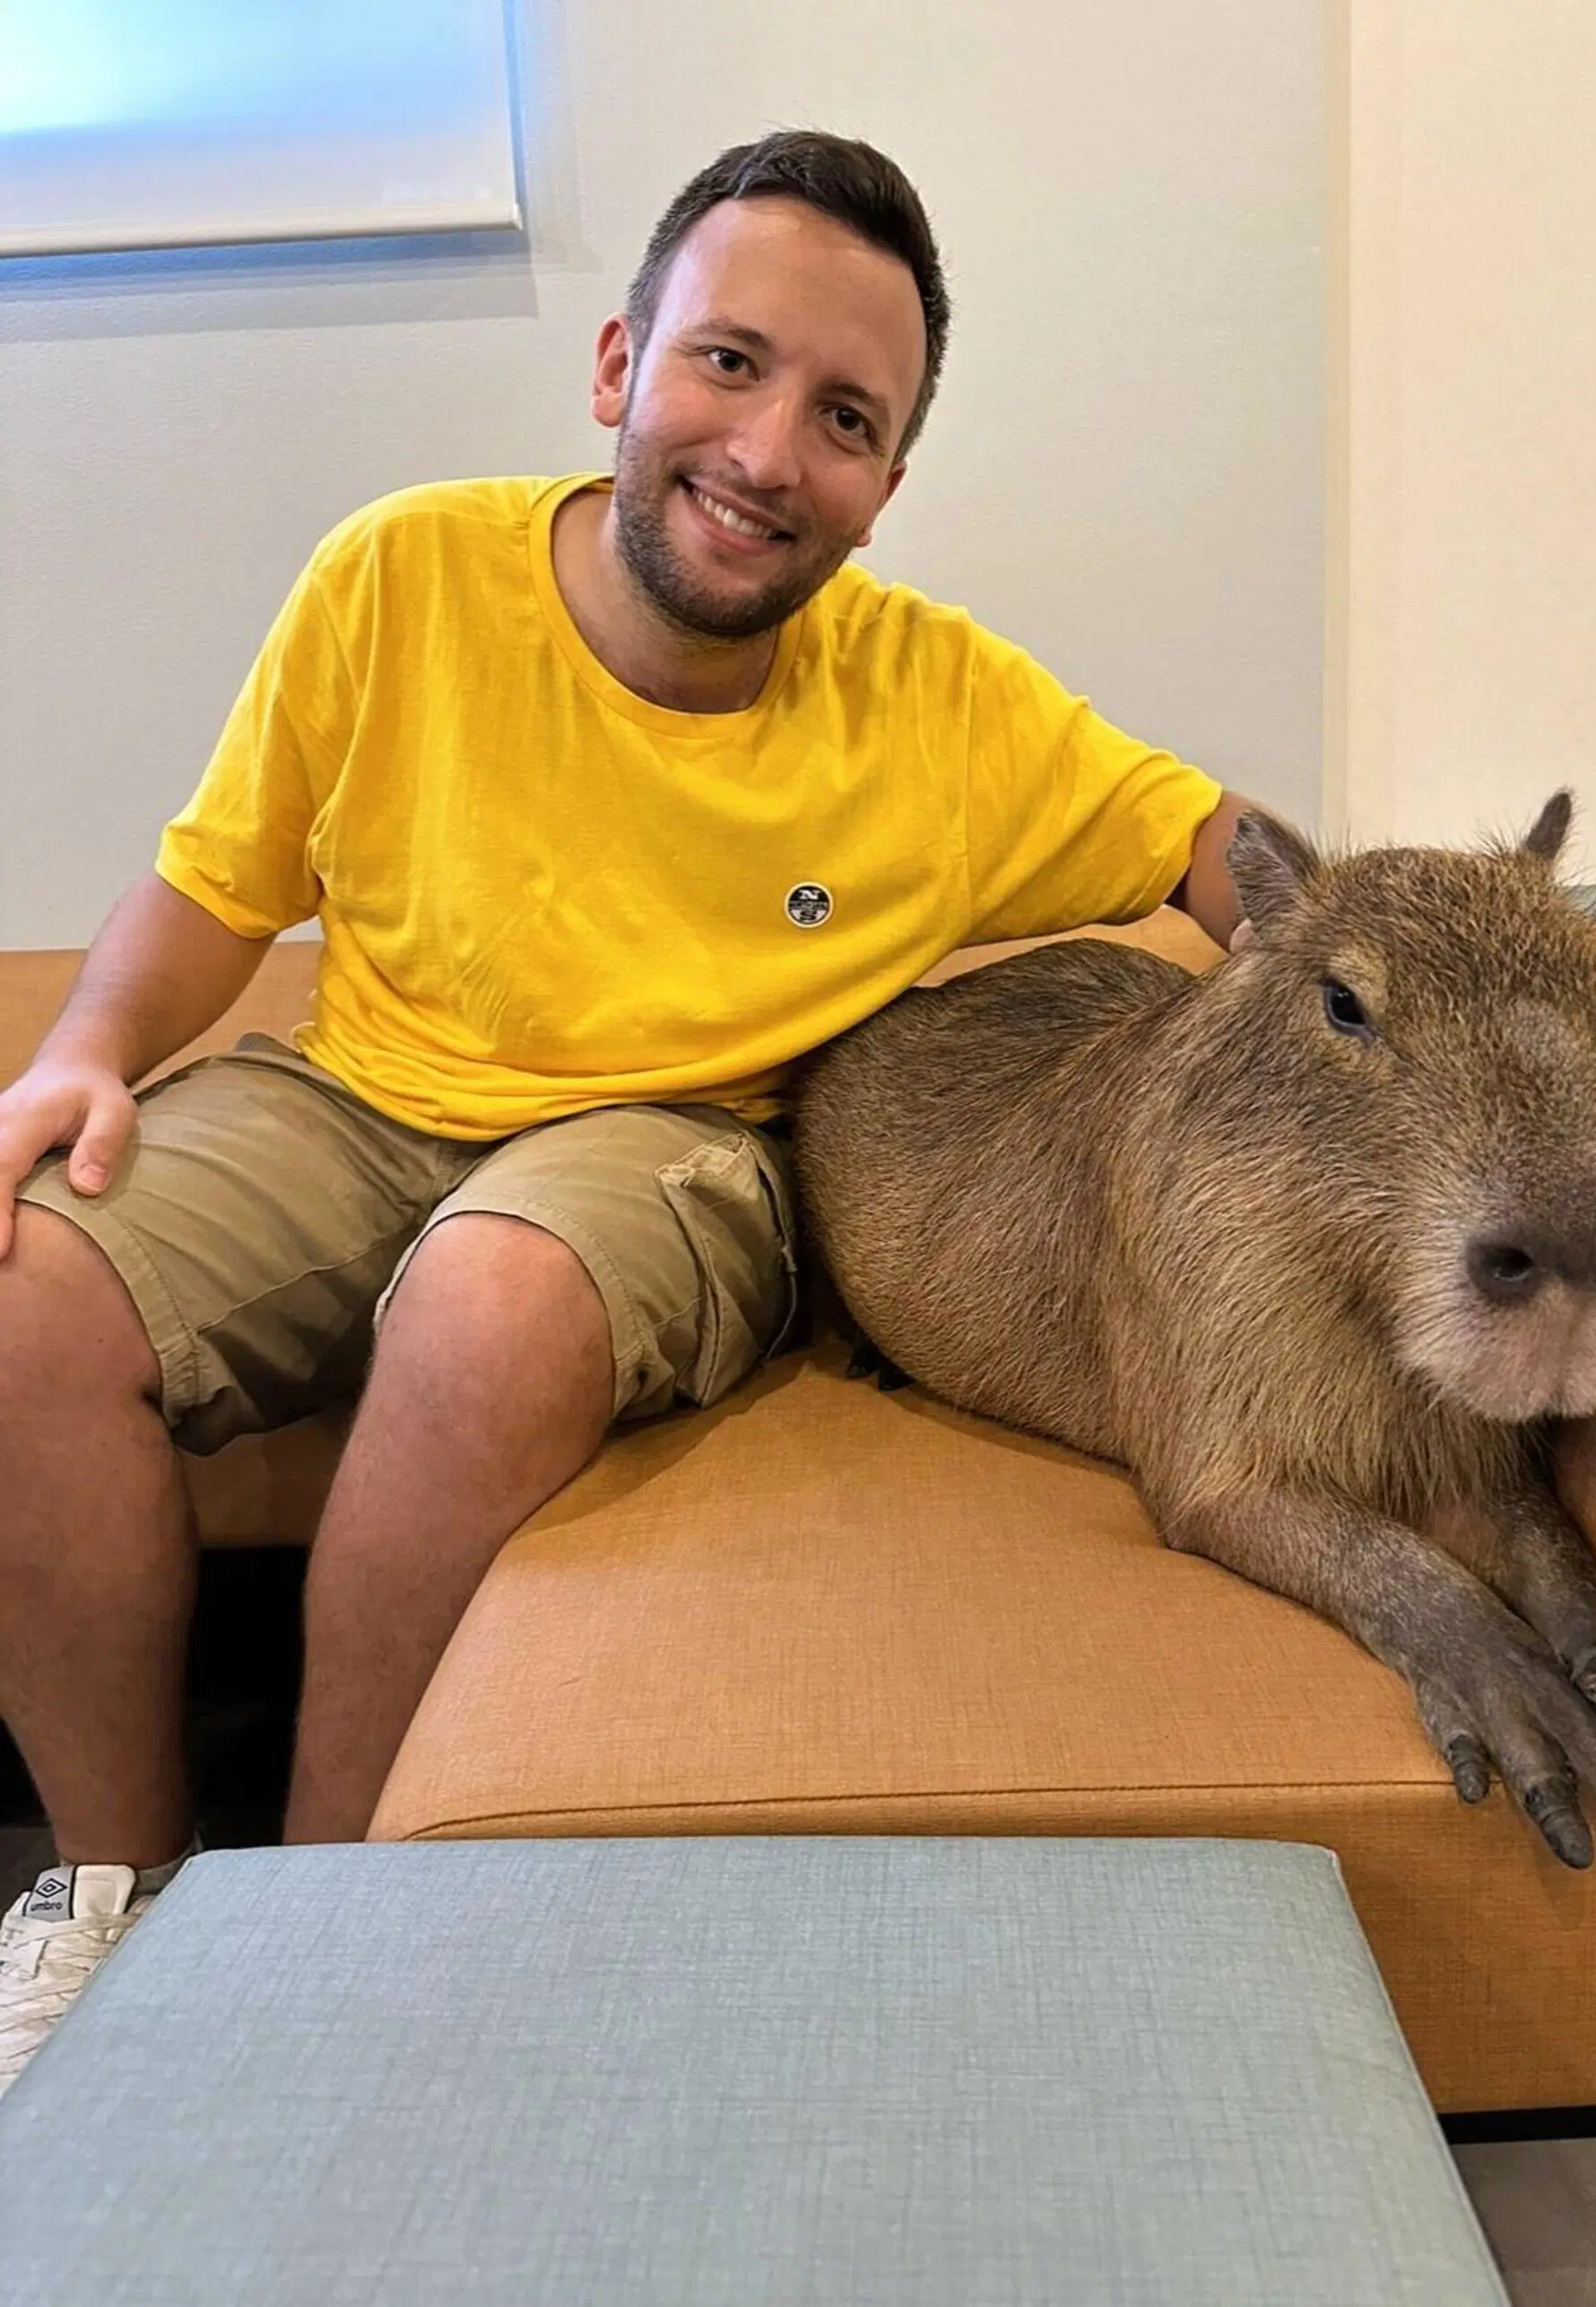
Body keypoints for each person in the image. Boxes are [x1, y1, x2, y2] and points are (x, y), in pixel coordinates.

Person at [0, 131, 1255, 2090]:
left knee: (490, 1296)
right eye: (729, 363)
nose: (770, 450)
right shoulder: (399, 568)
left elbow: (1212, 849)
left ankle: (318, 1910)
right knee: (15, 1288)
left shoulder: (946, 702)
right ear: (617, 362)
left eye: (845, 416)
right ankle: (114, 1886)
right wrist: (80, 1050)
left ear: (889, 485)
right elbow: (217, 883)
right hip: (359, 1083)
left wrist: (1377, 988)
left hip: (671, 1147)